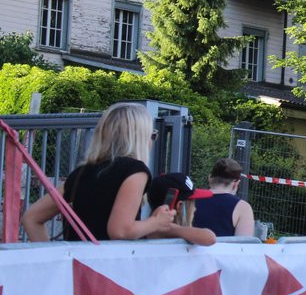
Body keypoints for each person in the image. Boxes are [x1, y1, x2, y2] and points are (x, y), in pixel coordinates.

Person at [21, 102, 205, 244]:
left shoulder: (82, 172)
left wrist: (56, 262)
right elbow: (120, 231)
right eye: (152, 135)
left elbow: (32, 218)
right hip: (109, 273)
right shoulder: (135, 171)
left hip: (77, 270)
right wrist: (156, 222)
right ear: (138, 138)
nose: (152, 141)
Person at [147, 173, 218, 246]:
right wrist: (173, 228)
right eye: (192, 205)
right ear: (179, 205)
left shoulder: (148, 226)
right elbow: (210, 238)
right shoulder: (163, 228)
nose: (195, 209)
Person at [192, 158, 255, 237]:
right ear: (236, 183)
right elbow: (243, 245)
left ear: (210, 178)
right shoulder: (242, 207)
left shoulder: (190, 199)